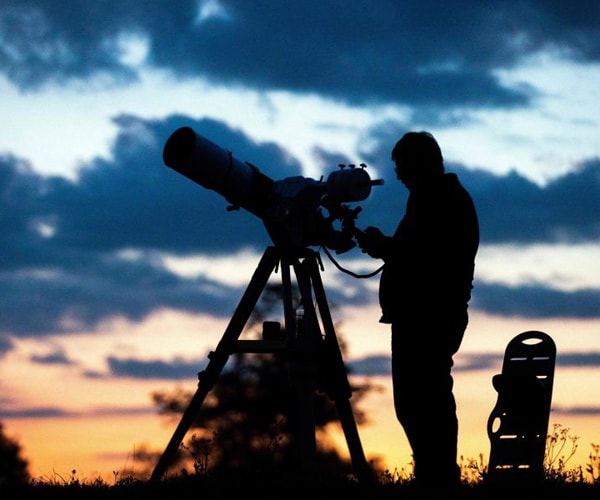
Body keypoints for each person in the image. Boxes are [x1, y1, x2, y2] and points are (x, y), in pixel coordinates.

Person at [356, 131, 479, 489]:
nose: (399, 175)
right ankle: (434, 474)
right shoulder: (432, 199)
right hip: (421, 315)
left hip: (429, 316)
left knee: (426, 400)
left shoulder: (441, 201)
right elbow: (419, 251)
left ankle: (438, 478)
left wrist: (385, 248)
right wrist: (387, 248)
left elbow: (428, 259)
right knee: (419, 401)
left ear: (422, 163)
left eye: (403, 167)